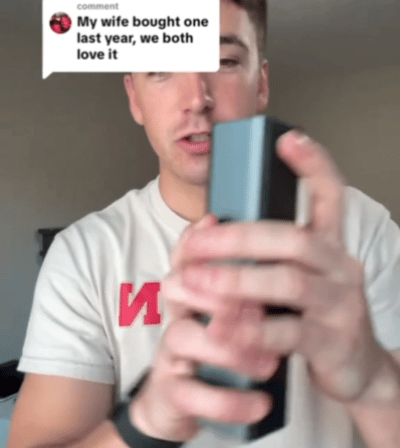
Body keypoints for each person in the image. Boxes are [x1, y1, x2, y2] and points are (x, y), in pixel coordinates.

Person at [7, 0, 400, 447]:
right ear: (135, 98)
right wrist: (146, 420)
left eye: (224, 61)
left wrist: (375, 384)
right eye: (162, 68)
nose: (197, 98)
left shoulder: (362, 228)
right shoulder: (83, 255)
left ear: (261, 84)